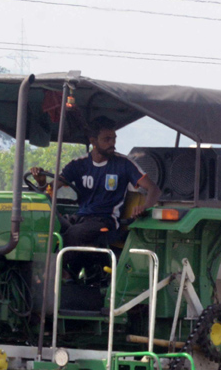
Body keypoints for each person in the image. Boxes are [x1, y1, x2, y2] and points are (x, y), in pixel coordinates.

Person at [34, 116, 161, 277]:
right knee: (50, 223)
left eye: (113, 139)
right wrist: (41, 183)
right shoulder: (77, 165)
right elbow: (49, 190)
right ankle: (48, 271)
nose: (112, 144)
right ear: (93, 141)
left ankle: (61, 273)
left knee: (74, 234)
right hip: (80, 218)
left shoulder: (123, 164)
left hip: (105, 221)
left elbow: (154, 189)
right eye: (107, 139)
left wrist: (145, 207)